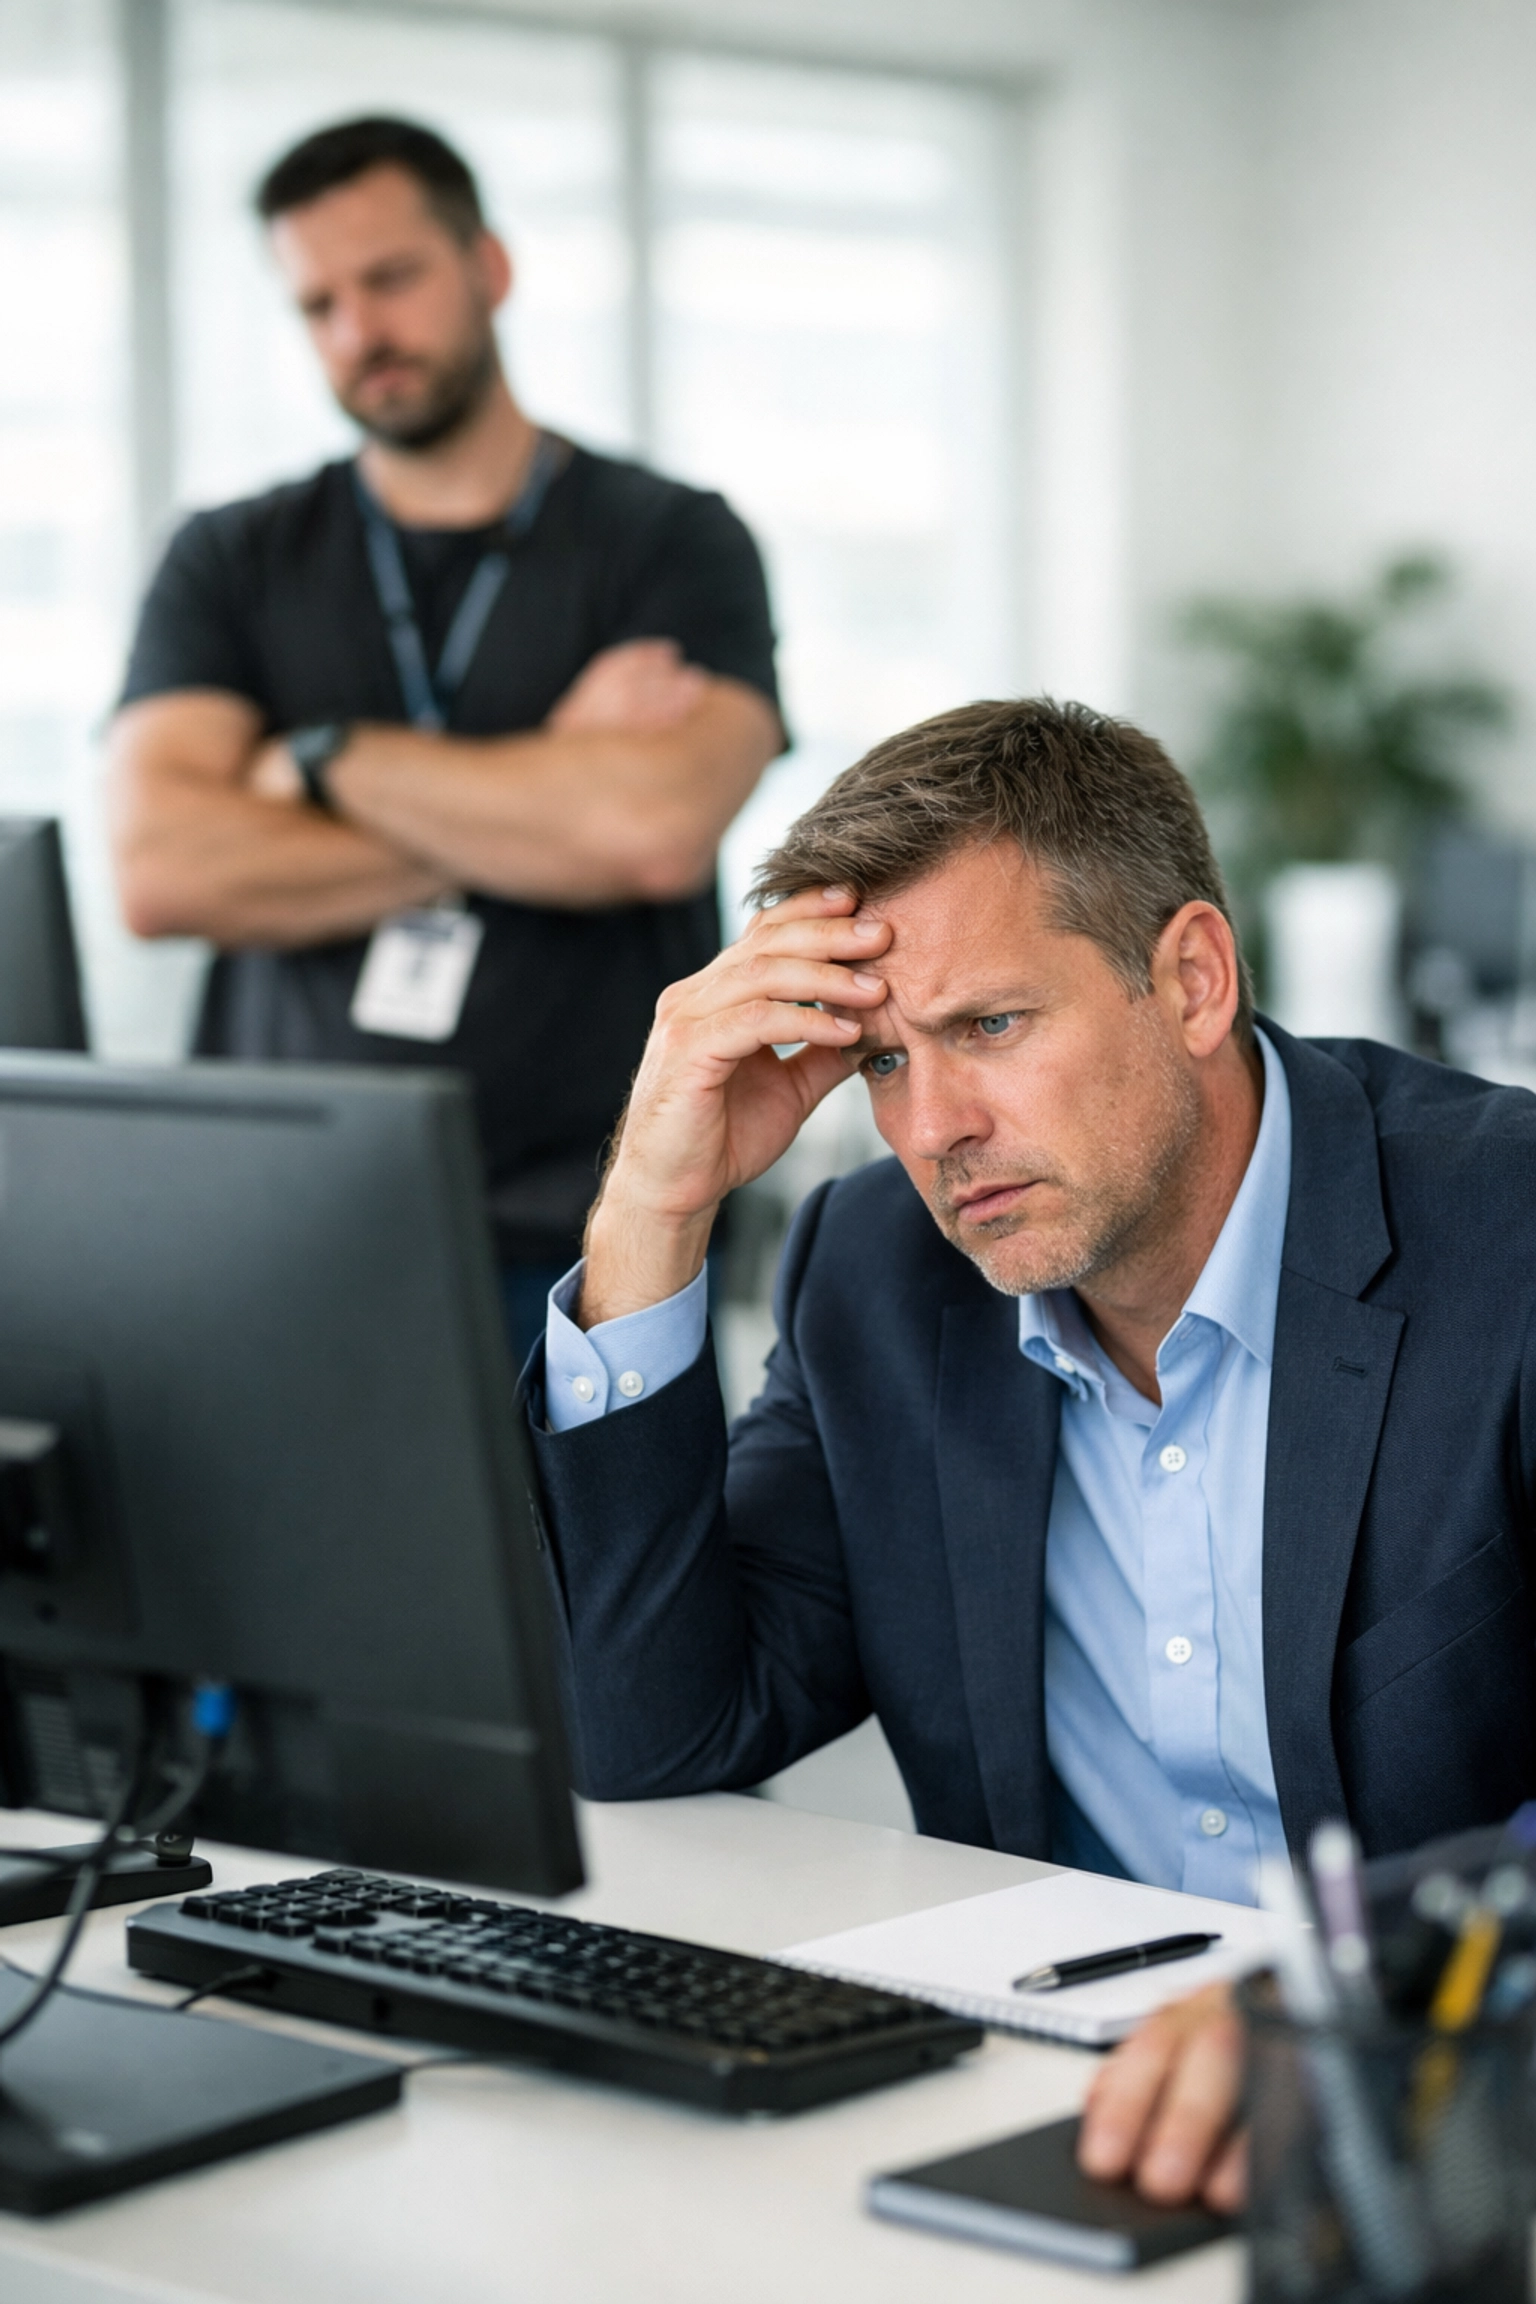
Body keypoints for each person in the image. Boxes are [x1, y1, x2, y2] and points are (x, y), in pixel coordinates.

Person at [520, 696, 1536, 2207]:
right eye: (882, 1062)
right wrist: (651, 1210)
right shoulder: (873, 1271)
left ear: (1191, 979)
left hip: (1439, 2133)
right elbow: (651, 1731)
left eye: (988, 1028)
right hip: (1046, 2110)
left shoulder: (1509, 1234)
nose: (934, 1127)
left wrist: (1344, 1985)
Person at [109, 116, 782, 1358]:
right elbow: (163, 872)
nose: (358, 331)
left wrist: (316, 765)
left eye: (391, 278)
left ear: (489, 267)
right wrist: (537, 799)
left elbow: (649, 831)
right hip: (286, 1220)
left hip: (599, 1226)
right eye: (318, 304)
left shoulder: (672, 540)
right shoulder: (229, 557)